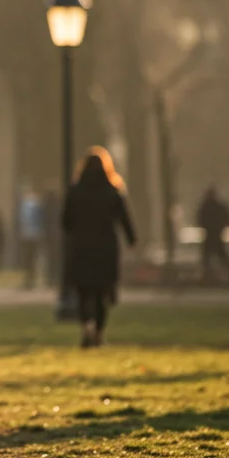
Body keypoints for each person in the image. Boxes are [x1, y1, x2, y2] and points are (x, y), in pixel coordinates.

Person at [63, 147, 136, 349]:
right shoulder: (113, 191)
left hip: (82, 248)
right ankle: (99, 332)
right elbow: (124, 219)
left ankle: (87, 325)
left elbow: (66, 222)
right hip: (105, 248)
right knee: (101, 292)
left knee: (83, 291)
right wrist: (131, 239)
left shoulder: (75, 192)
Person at [196, 186, 229, 287]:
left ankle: (208, 276)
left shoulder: (206, 205)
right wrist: (222, 227)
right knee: (221, 255)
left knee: (208, 256)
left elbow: (200, 218)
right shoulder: (218, 205)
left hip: (211, 233)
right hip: (216, 233)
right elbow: (227, 217)